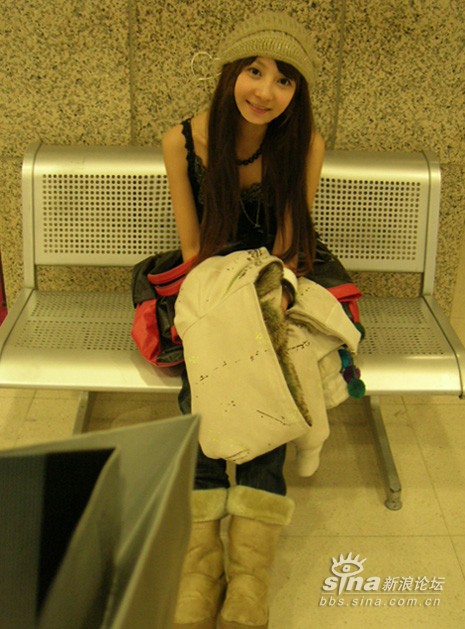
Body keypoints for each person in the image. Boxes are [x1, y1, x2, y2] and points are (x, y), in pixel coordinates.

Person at [163, 11, 324, 629]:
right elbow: (192, 249)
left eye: (284, 80)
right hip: (208, 280)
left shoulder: (303, 143)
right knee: (201, 386)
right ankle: (200, 570)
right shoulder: (182, 142)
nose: (265, 91)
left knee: (268, 379)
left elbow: (289, 243)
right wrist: (219, 317)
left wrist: (266, 306)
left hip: (276, 277)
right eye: (255, 71)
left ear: (296, 93)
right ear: (232, 71)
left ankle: (249, 580)